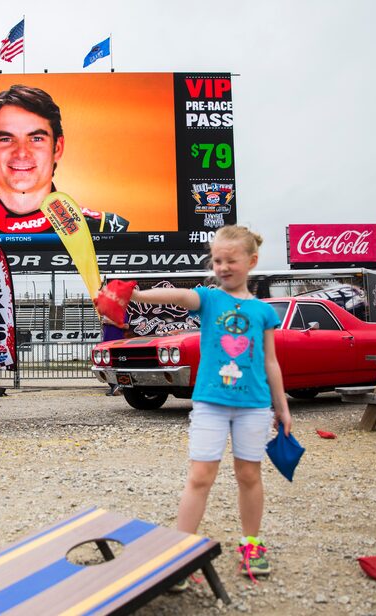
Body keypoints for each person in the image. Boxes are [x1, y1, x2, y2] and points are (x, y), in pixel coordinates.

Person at [123, 225, 292, 584]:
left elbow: (271, 363)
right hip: (210, 404)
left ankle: (251, 543)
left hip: (254, 406)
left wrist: (283, 407)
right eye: (217, 260)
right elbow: (180, 297)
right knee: (200, 476)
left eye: (231, 259)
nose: (223, 266)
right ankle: (180, 554)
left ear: (252, 261)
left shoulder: (263, 312)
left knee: (249, 475)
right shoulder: (209, 298)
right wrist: (134, 293)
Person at [0, 84, 130, 235]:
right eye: (6, 139)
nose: (21, 152)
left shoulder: (105, 228)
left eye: (36, 138)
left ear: (57, 147)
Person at [101, 311, 130, 396]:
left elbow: (126, 326)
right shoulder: (106, 313)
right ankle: (114, 386)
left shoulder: (122, 312)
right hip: (106, 342)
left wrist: (111, 322)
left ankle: (117, 386)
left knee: (117, 365)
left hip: (117, 342)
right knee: (106, 365)